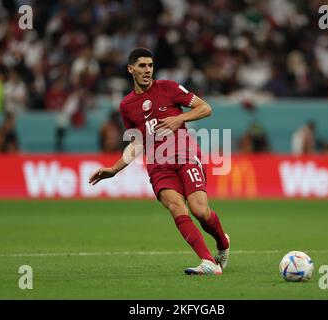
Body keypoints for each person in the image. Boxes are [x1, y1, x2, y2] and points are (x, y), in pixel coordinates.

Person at [89, 48, 229, 275]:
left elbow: (206, 108)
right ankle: (208, 262)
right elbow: (137, 142)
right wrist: (114, 170)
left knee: (200, 211)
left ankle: (223, 244)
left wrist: (179, 119)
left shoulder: (169, 88)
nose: (147, 70)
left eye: (150, 65)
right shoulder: (126, 106)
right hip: (157, 164)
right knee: (176, 207)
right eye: (142, 66)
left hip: (184, 154)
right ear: (130, 69)